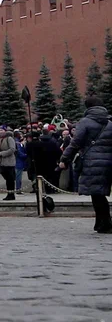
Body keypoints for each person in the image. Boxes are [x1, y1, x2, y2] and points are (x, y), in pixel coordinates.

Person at [59, 97, 111, 233]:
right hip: (108, 162)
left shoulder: (85, 122)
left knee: (97, 194)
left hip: (92, 162)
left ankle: (105, 223)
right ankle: (100, 223)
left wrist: (65, 158)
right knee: (100, 193)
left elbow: (76, 143)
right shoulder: (110, 123)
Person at [0, 126, 18, 201]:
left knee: (10, 180)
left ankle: (11, 194)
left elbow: (12, 149)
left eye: (1, 130)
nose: (0, 131)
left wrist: (1, 153)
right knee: (7, 179)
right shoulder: (0, 139)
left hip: (9, 162)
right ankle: (9, 193)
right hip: (2, 163)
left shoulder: (9, 138)